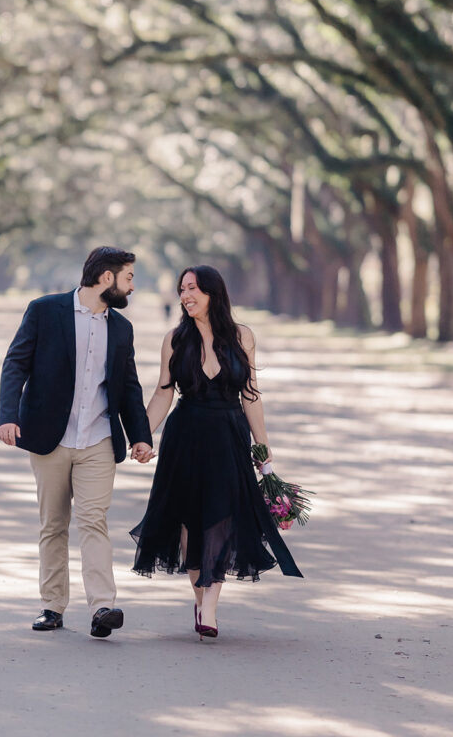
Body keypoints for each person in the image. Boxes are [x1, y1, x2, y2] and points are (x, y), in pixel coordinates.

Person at [130, 265, 302, 640]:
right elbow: (163, 392)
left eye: (192, 288)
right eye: (181, 289)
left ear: (212, 292)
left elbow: (251, 396)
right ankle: (199, 595)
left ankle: (210, 604)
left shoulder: (243, 336)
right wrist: (143, 437)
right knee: (189, 524)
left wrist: (264, 450)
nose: (185, 295)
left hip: (228, 435)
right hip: (184, 437)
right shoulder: (175, 339)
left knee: (221, 517)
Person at [0, 246, 153, 638]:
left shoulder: (121, 329)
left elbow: (129, 387)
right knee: (53, 524)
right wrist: (8, 416)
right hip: (50, 437)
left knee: (93, 520)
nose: (133, 286)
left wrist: (140, 437)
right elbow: (16, 362)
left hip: (98, 439)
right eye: (129, 277)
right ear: (106, 277)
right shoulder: (44, 311)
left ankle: (103, 606)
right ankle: (52, 606)